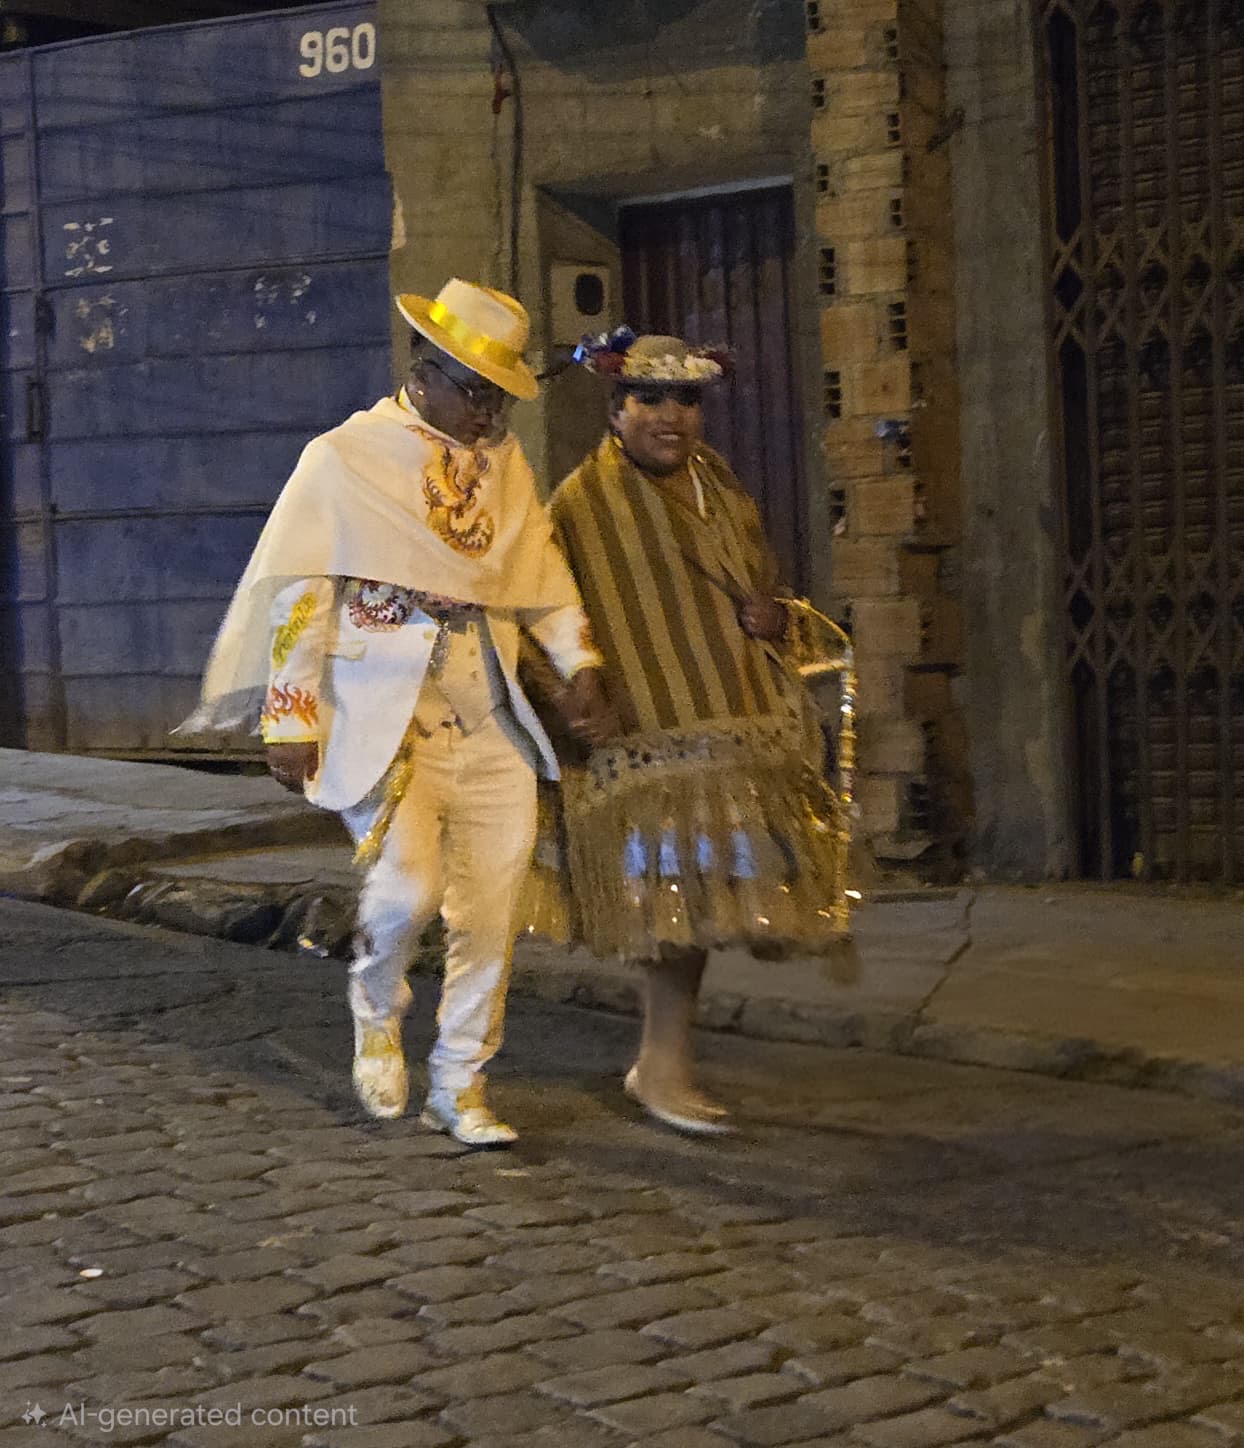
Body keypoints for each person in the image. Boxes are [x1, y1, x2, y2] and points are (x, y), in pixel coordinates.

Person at [184, 279, 612, 1145]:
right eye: (478, 392)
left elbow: (540, 573)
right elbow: (303, 589)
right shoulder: (344, 457)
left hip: (489, 710)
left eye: (500, 396)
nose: (491, 413)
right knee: (408, 891)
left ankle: (461, 1084)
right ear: (430, 369)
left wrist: (580, 661)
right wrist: (291, 714)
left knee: (493, 907)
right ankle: (377, 1007)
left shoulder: (505, 468)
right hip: (384, 712)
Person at [541, 329, 849, 1135]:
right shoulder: (578, 505)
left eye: (688, 400)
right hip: (644, 740)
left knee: (700, 908)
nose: (670, 416)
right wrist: (574, 698)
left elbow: (764, 587)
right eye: (650, 398)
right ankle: (659, 1065)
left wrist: (776, 615)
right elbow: (540, 621)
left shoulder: (724, 488)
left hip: (733, 726)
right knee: (668, 908)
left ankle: (663, 1064)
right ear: (616, 409)